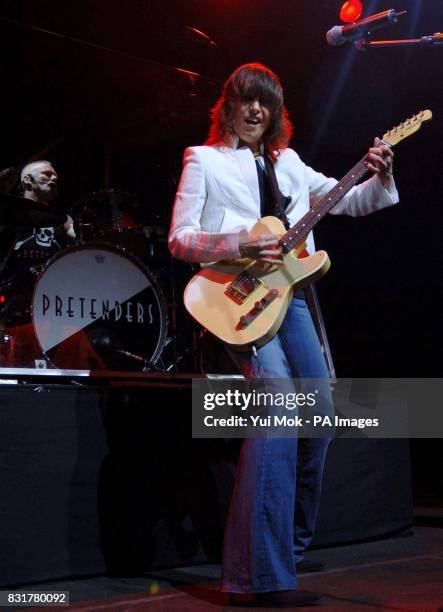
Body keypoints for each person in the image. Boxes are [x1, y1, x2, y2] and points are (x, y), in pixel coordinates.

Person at [168, 63, 397, 607]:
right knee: (278, 404)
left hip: (290, 297)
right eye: (245, 100)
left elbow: (353, 200)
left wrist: (381, 173)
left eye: (265, 103)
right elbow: (179, 239)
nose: (254, 111)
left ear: (275, 113)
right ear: (228, 106)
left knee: (317, 412)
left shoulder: (289, 163)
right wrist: (240, 239)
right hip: (234, 294)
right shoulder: (203, 160)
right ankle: (255, 574)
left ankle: (286, 548)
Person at [0, 160, 76, 366]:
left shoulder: (63, 219)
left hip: (55, 294)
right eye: (47, 174)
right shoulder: (8, 212)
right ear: (27, 180)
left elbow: (83, 242)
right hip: (14, 291)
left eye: (56, 177)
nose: (54, 179)